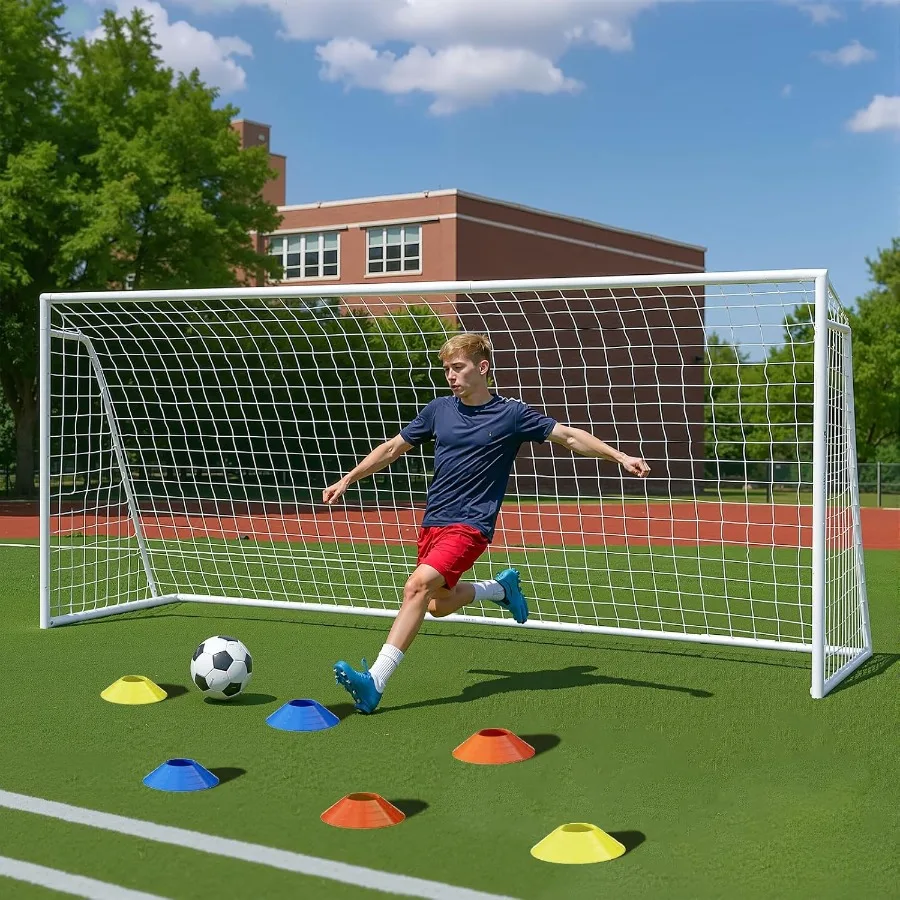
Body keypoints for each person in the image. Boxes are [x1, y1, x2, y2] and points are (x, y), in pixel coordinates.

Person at [323, 333, 650, 714]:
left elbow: (568, 437)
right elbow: (393, 448)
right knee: (436, 606)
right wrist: (349, 477)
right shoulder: (438, 410)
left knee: (416, 588)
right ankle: (498, 589)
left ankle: (375, 682)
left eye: (458, 367)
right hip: (434, 522)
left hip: (471, 525)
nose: (450, 376)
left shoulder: (511, 414)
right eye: (446, 369)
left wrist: (619, 456)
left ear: (482, 368)